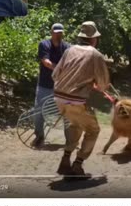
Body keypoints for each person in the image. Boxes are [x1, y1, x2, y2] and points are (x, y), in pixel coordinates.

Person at [52, 21, 110, 177]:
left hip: (58, 98)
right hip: (76, 100)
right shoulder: (95, 54)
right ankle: (77, 166)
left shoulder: (69, 50)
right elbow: (103, 84)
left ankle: (65, 161)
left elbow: (55, 74)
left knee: (75, 125)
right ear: (93, 39)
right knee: (93, 130)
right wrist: (97, 85)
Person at [32, 23, 70, 148]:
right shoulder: (44, 45)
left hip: (62, 86)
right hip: (45, 84)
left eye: (60, 32)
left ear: (63, 33)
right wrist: (60, 70)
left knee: (68, 113)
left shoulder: (67, 47)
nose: (58, 34)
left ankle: (70, 139)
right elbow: (46, 62)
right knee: (38, 111)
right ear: (51, 32)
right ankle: (39, 136)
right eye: (56, 32)